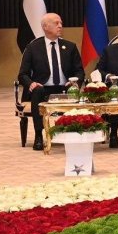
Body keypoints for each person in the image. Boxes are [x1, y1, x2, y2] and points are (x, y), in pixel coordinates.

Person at [18, 12, 84, 150]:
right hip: (42, 89)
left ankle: (72, 132)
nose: (60, 26)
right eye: (56, 23)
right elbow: (22, 74)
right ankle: (38, 135)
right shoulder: (33, 48)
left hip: (64, 88)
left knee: (72, 91)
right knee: (37, 91)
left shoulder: (70, 46)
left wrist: (75, 82)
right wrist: (31, 84)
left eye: (61, 23)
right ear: (45, 27)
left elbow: (79, 71)